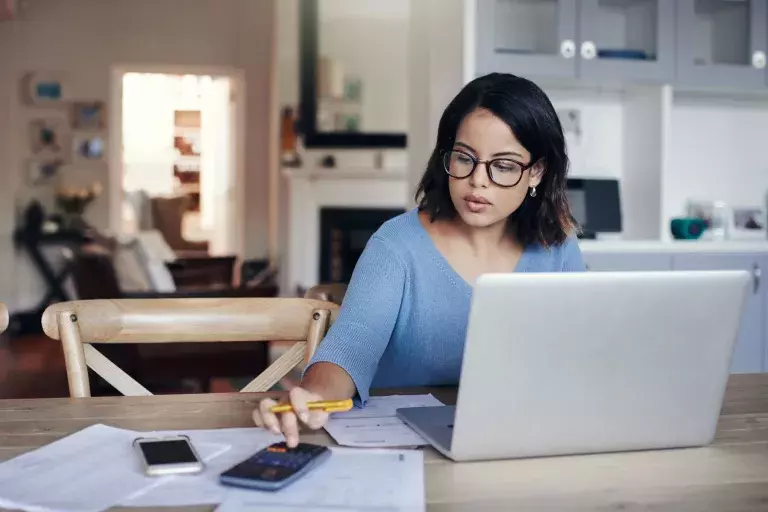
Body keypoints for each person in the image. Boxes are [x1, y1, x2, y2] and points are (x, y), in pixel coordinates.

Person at [254, 72, 585, 446]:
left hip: (520, 440)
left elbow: (582, 355)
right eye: (465, 158)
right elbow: (348, 352)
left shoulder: (557, 245)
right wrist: (313, 397)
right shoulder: (396, 245)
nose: (478, 181)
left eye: (504, 166)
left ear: (536, 172)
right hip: (404, 448)